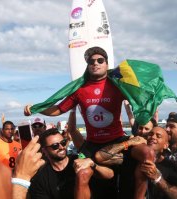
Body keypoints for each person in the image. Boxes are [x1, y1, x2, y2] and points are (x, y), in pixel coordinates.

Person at [24, 46, 155, 197]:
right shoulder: (80, 89)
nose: (96, 63)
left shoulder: (118, 84)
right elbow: (59, 109)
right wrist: (37, 108)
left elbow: (139, 97)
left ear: (107, 64)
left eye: (100, 60)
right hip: (92, 145)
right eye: (91, 61)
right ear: (88, 66)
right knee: (82, 172)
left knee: (147, 152)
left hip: (118, 140)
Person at [95, 120, 177, 199]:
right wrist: (128, 142)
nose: (153, 137)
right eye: (151, 134)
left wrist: (158, 178)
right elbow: (100, 157)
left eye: (158, 136)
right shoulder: (129, 158)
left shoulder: (169, 166)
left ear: (165, 145)